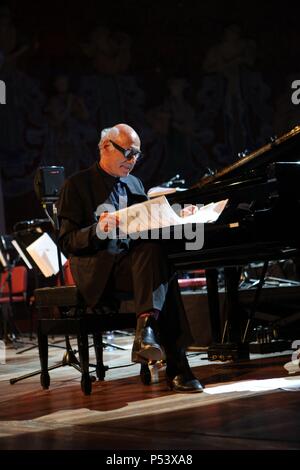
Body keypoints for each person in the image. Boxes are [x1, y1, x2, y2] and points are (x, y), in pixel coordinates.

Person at [57, 123, 202, 393]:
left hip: (137, 266)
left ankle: (147, 331)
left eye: (137, 154)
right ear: (105, 147)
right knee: (162, 271)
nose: (133, 160)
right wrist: (98, 230)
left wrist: (177, 217)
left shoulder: (134, 183)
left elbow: (147, 227)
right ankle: (177, 367)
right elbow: (67, 242)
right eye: (128, 152)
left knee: (156, 256)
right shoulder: (76, 185)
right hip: (99, 271)